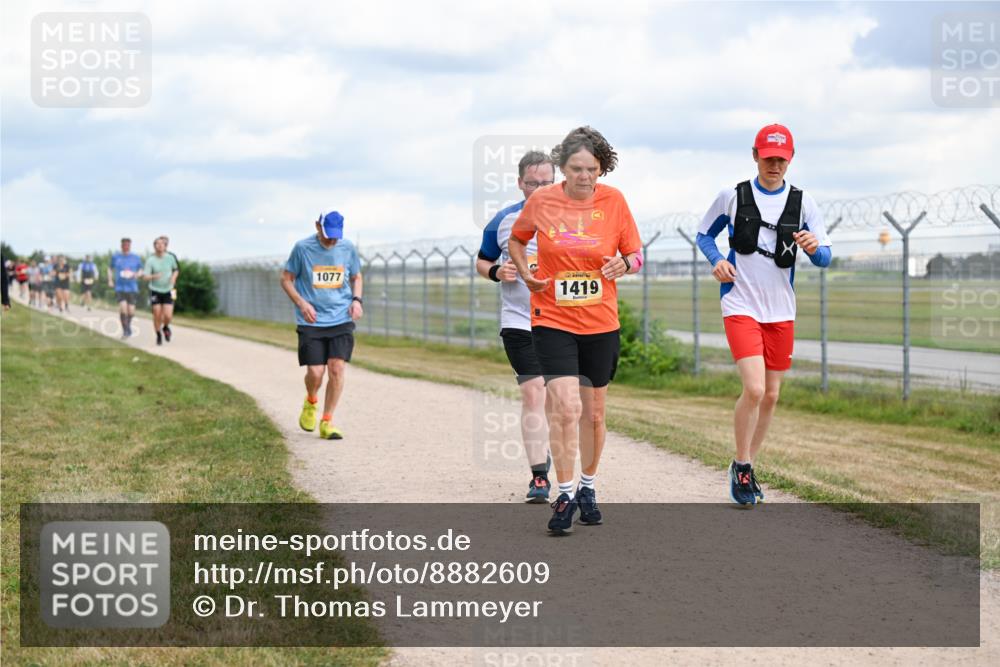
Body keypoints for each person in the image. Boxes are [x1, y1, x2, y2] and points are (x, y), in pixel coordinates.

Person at [509, 127, 643, 534]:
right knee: (566, 408)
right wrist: (527, 274)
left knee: (594, 414)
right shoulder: (542, 200)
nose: (584, 177)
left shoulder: (614, 201)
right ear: (562, 168)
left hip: (600, 322)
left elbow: (636, 255)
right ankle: (564, 494)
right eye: (576, 169)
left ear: (603, 168)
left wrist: (626, 264)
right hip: (552, 318)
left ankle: (588, 487)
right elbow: (517, 241)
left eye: (592, 169)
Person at [696, 123, 832, 506]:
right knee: (754, 389)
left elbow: (825, 257)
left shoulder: (803, 202)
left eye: (781, 159)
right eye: (769, 158)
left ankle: (747, 464)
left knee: (771, 395)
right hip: (740, 303)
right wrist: (717, 260)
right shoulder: (732, 196)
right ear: (755, 156)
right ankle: (741, 465)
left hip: (780, 309)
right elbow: (704, 235)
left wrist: (813, 248)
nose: (775, 165)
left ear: (791, 159)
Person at [477, 150, 555, 503]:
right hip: (519, 320)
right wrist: (497, 271)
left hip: (561, 321)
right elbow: (482, 260)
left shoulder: (571, 217)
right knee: (533, 392)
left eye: (547, 183)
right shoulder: (503, 220)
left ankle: (546, 447)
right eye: (533, 183)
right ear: (520, 183)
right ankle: (539, 476)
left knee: (558, 398)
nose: (540, 190)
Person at [281, 211, 364, 440]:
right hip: (312, 320)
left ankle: (327, 421)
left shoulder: (347, 248)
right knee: (316, 373)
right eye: (328, 235)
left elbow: (356, 277)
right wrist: (301, 303)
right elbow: (286, 279)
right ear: (318, 226)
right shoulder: (302, 248)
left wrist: (357, 300)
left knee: (336, 368)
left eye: (336, 236)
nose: (332, 240)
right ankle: (311, 400)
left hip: (341, 318)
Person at [143, 238, 180, 345]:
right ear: (154, 246)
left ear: (165, 246)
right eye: (157, 244)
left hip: (170, 290)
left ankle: (166, 327)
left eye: (162, 244)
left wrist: (173, 277)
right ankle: (158, 334)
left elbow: (176, 270)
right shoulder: (150, 260)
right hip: (155, 290)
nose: (160, 245)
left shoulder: (170, 257)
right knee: (157, 313)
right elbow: (145, 277)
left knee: (168, 315)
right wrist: (154, 276)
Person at [108, 238, 144, 339]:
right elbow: (110, 268)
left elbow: (141, 270)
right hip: (120, 287)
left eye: (128, 245)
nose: (126, 246)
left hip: (132, 287)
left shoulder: (135, 257)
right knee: (123, 308)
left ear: (130, 245)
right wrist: (110, 280)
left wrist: (137, 274)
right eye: (124, 244)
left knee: (131, 311)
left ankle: (128, 326)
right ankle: (126, 331)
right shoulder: (116, 257)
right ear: (121, 246)